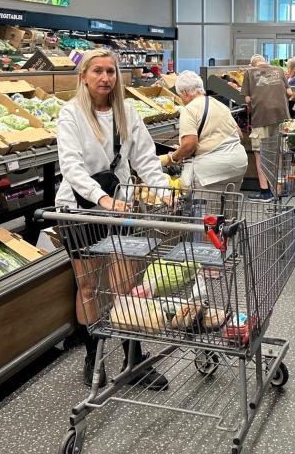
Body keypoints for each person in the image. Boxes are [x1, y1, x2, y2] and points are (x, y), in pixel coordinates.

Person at [56, 49, 170, 389]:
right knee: (89, 284)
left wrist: (165, 193)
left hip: (120, 206)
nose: (105, 78)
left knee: (125, 285)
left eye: (111, 71)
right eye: (98, 71)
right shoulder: (70, 114)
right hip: (79, 209)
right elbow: (71, 167)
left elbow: (147, 159)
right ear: (84, 76)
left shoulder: (127, 111)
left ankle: (133, 357)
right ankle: (94, 354)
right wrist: (102, 198)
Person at [161, 70, 247, 193]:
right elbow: (239, 135)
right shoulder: (220, 105)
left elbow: (189, 145)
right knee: (228, 209)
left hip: (212, 171)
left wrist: (174, 157)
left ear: (185, 93)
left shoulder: (189, 110)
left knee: (207, 211)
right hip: (238, 164)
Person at [240, 55, 289, 200]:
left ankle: (265, 191)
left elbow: (247, 99)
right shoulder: (279, 70)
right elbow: (290, 93)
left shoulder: (249, 72)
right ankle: (279, 190)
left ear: (252, 64)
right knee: (278, 153)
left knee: (260, 154)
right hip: (281, 117)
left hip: (261, 117)